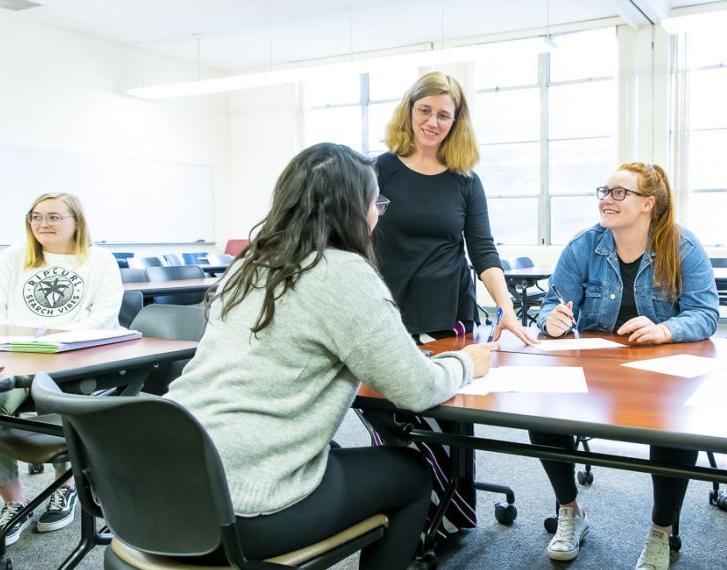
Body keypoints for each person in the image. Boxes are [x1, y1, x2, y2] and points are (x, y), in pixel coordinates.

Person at [166, 143, 497, 569]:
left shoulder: (250, 262)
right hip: (243, 507)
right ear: (355, 208)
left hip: (163, 489)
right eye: (376, 201)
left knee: (338, 450)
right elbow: (415, 389)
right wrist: (468, 362)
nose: (378, 213)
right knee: (412, 473)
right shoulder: (342, 271)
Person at [533, 162, 719, 570]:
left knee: (674, 428)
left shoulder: (683, 247)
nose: (607, 199)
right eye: (605, 190)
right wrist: (553, 319)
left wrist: (666, 329)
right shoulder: (584, 246)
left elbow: (706, 314)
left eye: (619, 193)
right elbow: (551, 304)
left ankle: (661, 531)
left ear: (648, 203)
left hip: (664, 372)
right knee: (543, 414)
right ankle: (570, 512)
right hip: (598, 372)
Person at [0, 193, 123, 547]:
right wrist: (13, 343)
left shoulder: (99, 260)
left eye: (52, 217)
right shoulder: (14, 256)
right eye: (35, 217)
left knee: (61, 400)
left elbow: (104, 314)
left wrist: (61, 341)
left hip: (72, 359)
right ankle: (14, 502)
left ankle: (64, 489)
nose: (41, 225)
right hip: (16, 355)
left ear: (76, 221)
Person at [374, 70, 534, 345]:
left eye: (443, 115)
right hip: (385, 311)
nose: (432, 122)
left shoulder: (466, 181)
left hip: (449, 315)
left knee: (457, 388)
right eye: (424, 110)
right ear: (409, 109)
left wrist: (505, 307)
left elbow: (483, 251)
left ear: (455, 121)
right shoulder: (377, 172)